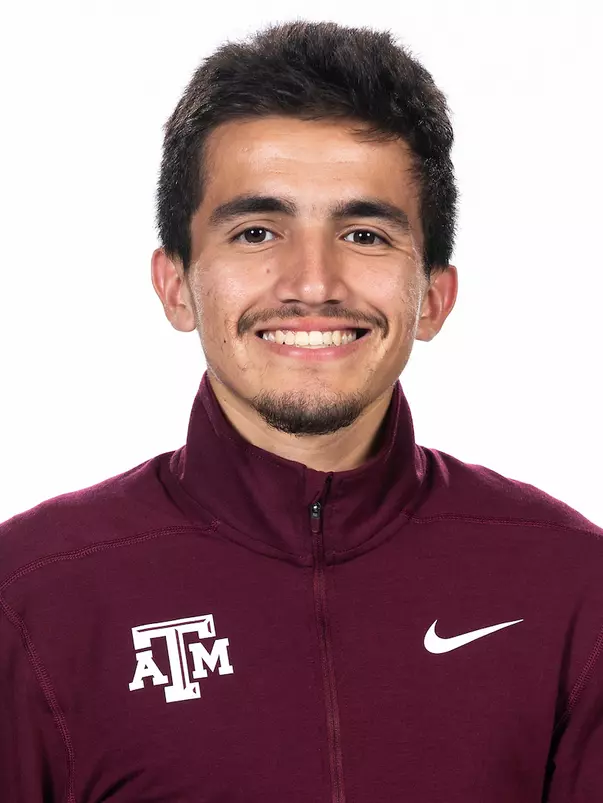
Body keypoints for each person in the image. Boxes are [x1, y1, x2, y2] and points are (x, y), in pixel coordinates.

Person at [1, 18, 601, 803]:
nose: (312, 282)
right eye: (257, 231)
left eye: (364, 234)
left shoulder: (571, 585)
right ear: (175, 285)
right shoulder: (31, 596)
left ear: (432, 296)